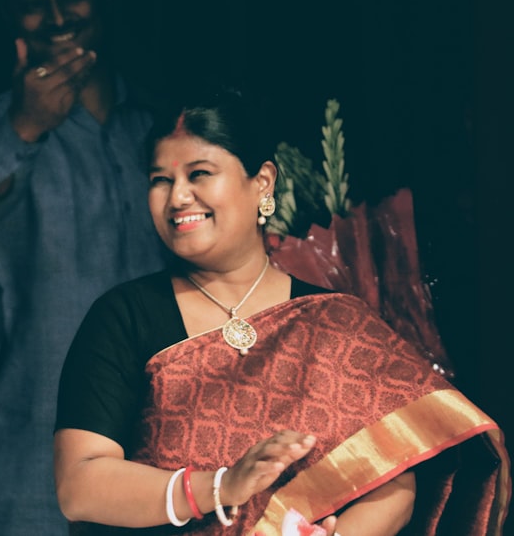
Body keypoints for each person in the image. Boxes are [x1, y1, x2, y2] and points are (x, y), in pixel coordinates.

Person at [54, 86, 510, 535]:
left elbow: (395, 479)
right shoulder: (122, 317)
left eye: (199, 173)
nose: (177, 198)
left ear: (263, 183)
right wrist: (222, 486)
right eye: (161, 179)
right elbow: (80, 485)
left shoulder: (333, 321)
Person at [0, 0, 168, 536]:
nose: (59, 17)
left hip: (160, 444)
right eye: (33, 4)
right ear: (12, 20)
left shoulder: (157, 122)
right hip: (36, 441)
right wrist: (26, 124)